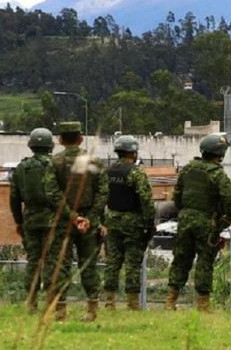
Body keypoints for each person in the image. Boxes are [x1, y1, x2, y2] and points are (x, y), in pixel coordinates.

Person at [10, 128, 88, 315]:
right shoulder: (56, 164)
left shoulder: (21, 168)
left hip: (30, 221)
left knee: (33, 262)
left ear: (31, 145)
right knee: (54, 263)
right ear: (50, 145)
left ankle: (31, 304)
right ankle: (53, 304)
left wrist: (19, 222)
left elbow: (14, 198)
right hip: (54, 220)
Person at [165, 133, 231, 312]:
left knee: (181, 258)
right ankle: (203, 305)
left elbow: (177, 196)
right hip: (207, 221)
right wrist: (228, 218)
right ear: (220, 154)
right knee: (205, 261)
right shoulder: (217, 174)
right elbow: (229, 199)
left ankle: (170, 301)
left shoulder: (187, 169)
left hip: (186, 219)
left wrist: (185, 212)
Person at [52, 121, 109, 322]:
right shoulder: (93, 161)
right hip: (89, 222)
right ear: (81, 138)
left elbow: (53, 194)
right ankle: (92, 310)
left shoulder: (55, 163)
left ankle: (60, 311)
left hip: (63, 222)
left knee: (61, 265)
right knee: (88, 266)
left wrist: (72, 217)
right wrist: (90, 218)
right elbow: (103, 192)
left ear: (60, 139)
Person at [102, 136, 156, 311]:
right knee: (132, 262)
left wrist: (104, 220)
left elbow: (100, 198)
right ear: (133, 152)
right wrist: (149, 223)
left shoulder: (107, 172)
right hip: (133, 222)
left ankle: (109, 301)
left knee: (112, 262)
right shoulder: (136, 172)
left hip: (112, 220)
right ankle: (132, 303)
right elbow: (146, 199)